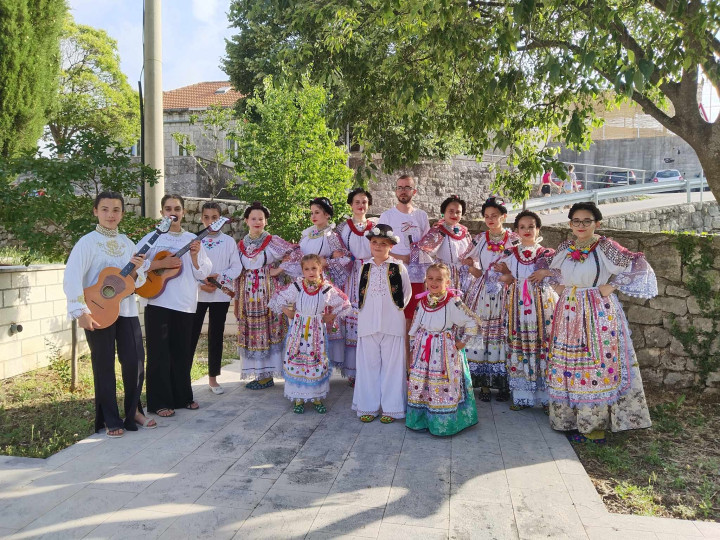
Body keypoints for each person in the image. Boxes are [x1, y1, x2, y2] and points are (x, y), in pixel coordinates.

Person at [545, 202, 657, 444]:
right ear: (570, 224)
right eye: (576, 221)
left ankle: (593, 424)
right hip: (568, 311)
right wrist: (559, 287)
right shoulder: (566, 247)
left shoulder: (606, 247)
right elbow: (551, 271)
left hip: (597, 311)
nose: (581, 225)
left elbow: (637, 265)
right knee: (567, 363)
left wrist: (612, 285)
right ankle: (568, 420)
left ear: (597, 223)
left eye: (587, 221)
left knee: (595, 363)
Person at [63, 191, 156, 437]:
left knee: (135, 362)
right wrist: (79, 310)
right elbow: (71, 277)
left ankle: (134, 411)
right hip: (97, 312)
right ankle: (109, 418)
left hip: (125, 311)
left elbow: (136, 281)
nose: (110, 214)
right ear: (95, 211)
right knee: (103, 365)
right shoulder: (87, 242)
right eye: (104, 209)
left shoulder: (127, 242)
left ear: (122, 214)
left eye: (116, 210)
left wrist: (137, 269)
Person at [139, 194, 212, 417]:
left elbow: (204, 272)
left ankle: (182, 397)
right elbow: (134, 264)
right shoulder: (152, 238)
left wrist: (197, 256)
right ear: (162, 212)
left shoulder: (192, 239)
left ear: (184, 212)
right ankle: (159, 402)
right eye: (168, 208)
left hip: (186, 303)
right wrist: (161, 263)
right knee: (158, 353)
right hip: (158, 301)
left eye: (177, 208)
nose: (173, 212)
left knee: (182, 352)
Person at [492, 211, 557, 411]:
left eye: (531, 226)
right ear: (516, 230)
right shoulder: (510, 252)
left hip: (540, 304)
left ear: (538, 229)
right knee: (518, 343)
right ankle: (522, 396)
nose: (527, 230)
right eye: (522, 227)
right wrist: (505, 276)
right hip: (517, 304)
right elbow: (499, 273)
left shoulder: (546, 254)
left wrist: (546, 272)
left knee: (541, 344)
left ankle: (545, 397)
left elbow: (562, 273)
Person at [269, 254, 350, 413]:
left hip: (316, 329)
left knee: (315, 359)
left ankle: (316, 397)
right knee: (298, 357)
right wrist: (288, 312)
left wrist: (331, 315)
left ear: (320, 269)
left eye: (314, 268)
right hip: (298, 328)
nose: (310, 271)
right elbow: (278, 298)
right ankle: (298, 398)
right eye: (307, 269)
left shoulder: (326, 288)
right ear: (302, 271)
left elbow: (345, 303)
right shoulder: (297, 286)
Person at [407, 263, 480, 436]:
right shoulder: (422, 301)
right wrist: (412, 346)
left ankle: (443, 422)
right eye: (430, 279)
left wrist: (463, 342)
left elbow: (472, 321)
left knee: (442, 384)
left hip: (443, 349)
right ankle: (421, 419)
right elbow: (415, 325)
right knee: (422, 383)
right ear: (425, 281)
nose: (434, 282)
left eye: (439, 279)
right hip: (423, 348)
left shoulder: (452, 301)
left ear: (447, 282)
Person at [280, 197, 352, 367]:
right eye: (312, 212)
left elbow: (345, 258)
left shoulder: (331, 236)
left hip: (322, 283)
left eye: (317, 212)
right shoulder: (307, 234)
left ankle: (321, 363)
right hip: (305, 283)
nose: (313, 216)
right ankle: (303, 362)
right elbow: (298, 256)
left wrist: (325, 262)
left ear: (327, 215)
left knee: (321, 324)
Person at [352, 224, 412, 423]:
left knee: (392, 366)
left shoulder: (398, 267)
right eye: (374, 242)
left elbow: (406, 293)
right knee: (368, 365)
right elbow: (360, 294)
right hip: (368, 323)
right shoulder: (364, 267)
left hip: (392, 323)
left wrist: (396, 311)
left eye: (383, 243)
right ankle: (368, 406)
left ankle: (392, 408)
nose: (378, 246)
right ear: (370, 244)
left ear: (391, 246)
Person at [461, 197, 518, 402]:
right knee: (481, 334)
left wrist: (508, 271)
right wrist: (473, 269)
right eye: (486, 216)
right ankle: (484, 383)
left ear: (504, 216)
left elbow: (523, 262)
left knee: (502, 333)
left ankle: (502, 383)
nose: (490, 219)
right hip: (482, 291)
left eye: (494, 216)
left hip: (504, 291)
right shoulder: (480, 239)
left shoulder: (514, 239)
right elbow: (465, 258)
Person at [235, 201, 297, 389]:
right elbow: (237, 272)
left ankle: (273, 373)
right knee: (254, 331)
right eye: (253, 218)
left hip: (268, 292)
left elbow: (295, 253)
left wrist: (279, 270)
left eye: (260, 219)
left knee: (270, 330)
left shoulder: (272, 241)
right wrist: (237, 299)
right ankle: (262, 374)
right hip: (248, 295)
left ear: (266, 222)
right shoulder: (240, 245)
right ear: (246, 220)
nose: (257, 222)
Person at [377, 174, 431, 368]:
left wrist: (418, 258)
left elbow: (428, 245)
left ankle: (413, 366)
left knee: (413, 322)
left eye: (407, 187)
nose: (403, 191)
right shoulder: (387, 216)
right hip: (395, 275)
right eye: (399, 187)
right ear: (395, 191)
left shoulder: (421, 216)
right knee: (396, 323)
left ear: (413, 191)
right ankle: (395, 366)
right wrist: (404, 258)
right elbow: (379, 247)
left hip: (417, 277)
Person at [188, 201, 242, 395]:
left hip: (220, 294)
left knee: (215, 335)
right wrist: (201, 285)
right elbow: (187, 269)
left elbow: (236, 267)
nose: (210, 222)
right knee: (191, 334)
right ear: (201, 218)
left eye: (215, 218)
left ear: (221, 219)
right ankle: (184, 376)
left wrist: (221, 277)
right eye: (207, 217)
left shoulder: (228, 242)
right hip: (198, 294)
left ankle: (213, 379)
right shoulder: (194, 241)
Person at [336, 188, 375, 387]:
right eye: (357, 201)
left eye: (364, 202)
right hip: (350, 276)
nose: (361, 205)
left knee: (368, 318)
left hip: (370, 273)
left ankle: (369, 368)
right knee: (352, 319)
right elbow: (338, 251)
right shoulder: (343, 227)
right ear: (351, 204)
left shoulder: (375, 226)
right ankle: (353, 371)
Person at [415, 195, 473, 291]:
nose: (454, 215)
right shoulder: (438, 231)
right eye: (451, 211)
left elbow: (472, 251)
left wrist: (470, 260)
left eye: (458, 212)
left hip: (465, 277)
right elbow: (425, 252)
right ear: (444, 212)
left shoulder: (464, 232)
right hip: (444, 277)